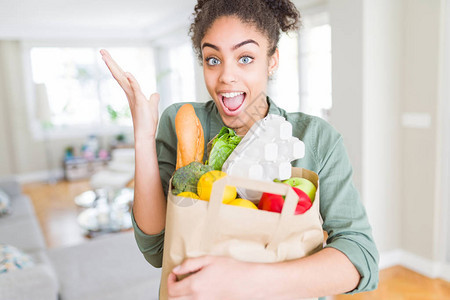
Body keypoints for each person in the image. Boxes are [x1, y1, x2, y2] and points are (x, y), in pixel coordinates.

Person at [100, 0, 379, 298]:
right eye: (213, 59)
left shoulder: (316, 138)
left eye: (245, 58)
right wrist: (143, 138)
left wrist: (249, 280)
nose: (226, 77)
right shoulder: (183, 123)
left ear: (272, 61)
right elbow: (156, 249)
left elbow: (362, 258)